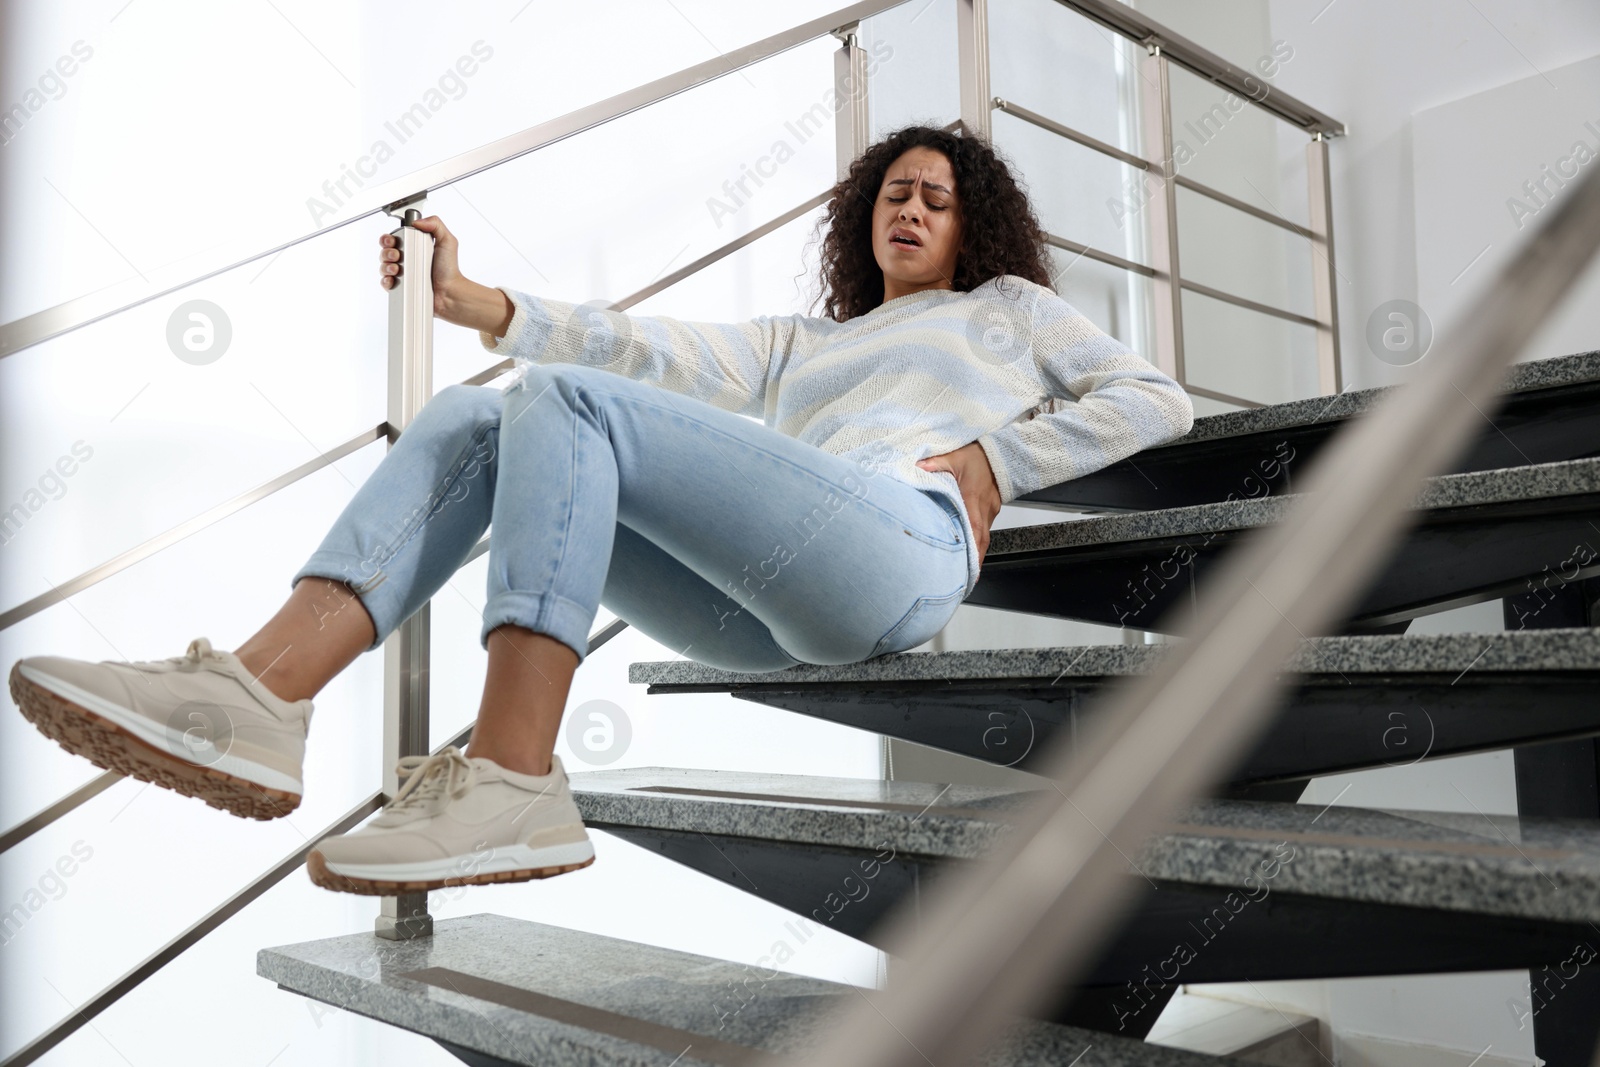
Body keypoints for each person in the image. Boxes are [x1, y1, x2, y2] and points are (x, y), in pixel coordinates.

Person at [8, 124, 1193, 897]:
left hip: (900, 546)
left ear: (969, 223)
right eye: (894, 192)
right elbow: (647, 344)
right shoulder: (805, 345)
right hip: (769, 603)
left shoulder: (1011, 311)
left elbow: (1157, 399)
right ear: (863, 217)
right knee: (490, 418)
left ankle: (513, 777)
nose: (912, 210)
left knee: (568, 407)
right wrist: (478, 301)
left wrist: (996, 453)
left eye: (936, 198)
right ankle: (259, 695)